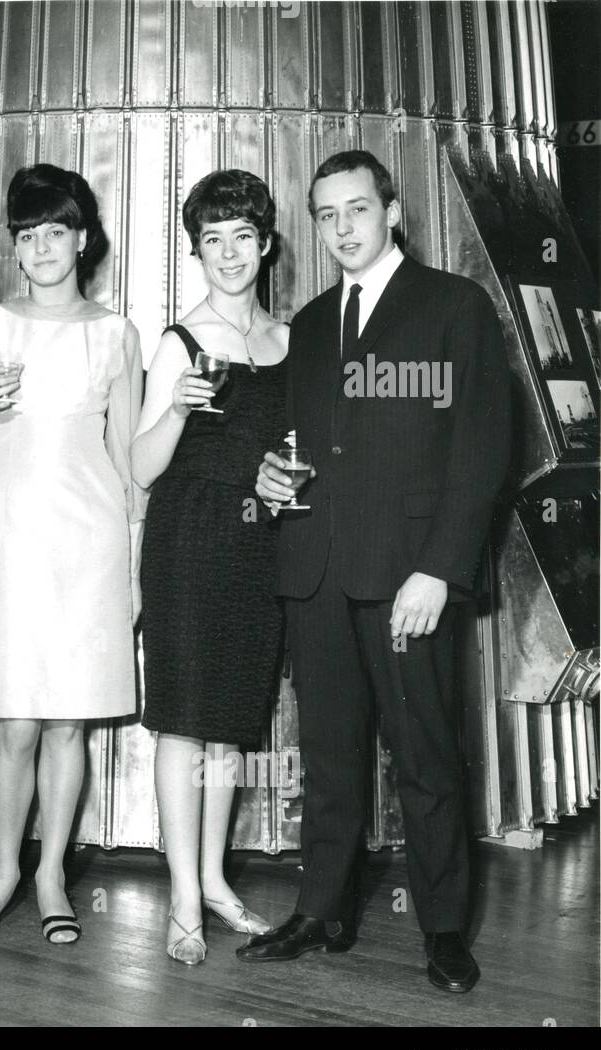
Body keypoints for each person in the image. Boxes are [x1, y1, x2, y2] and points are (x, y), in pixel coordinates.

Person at [247, 150, 511, 992]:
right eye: (326, 215)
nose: (342, 228)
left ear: (392, 212)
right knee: (328, 756)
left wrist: (439, 569)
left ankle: (442, 928)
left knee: (426, 756)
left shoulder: (454, 307)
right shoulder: (313, 322)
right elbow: (304, 439)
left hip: (408, 579)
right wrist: (271, 475)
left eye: (357, 209)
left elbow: (482, 450)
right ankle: (323, 907)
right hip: (319, 571)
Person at [0, 164, 143, 945]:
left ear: (82, 239)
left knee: (69, 725)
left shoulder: (116, 333)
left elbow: (129, 465)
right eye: (27, 235)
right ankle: (3, 869)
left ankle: (53, 871)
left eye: (55, 231)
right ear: (15, 248)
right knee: (17, 723)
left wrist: (132, 572)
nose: (41, 248)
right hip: (12, 539)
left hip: (90, 543)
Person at [130, 170, 288, 964]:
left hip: (258, 546)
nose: (228, 253)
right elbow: (141, 464)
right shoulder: (178, 341)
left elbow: (296, 455)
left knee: (230, 726)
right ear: (197, 251)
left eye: (241, 237)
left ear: (265, 244)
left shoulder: (289, 341)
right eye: (212, 240)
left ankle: (218, 880)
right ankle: (185, 897)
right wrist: (181, 406)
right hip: (188, 543)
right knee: (185, 724)